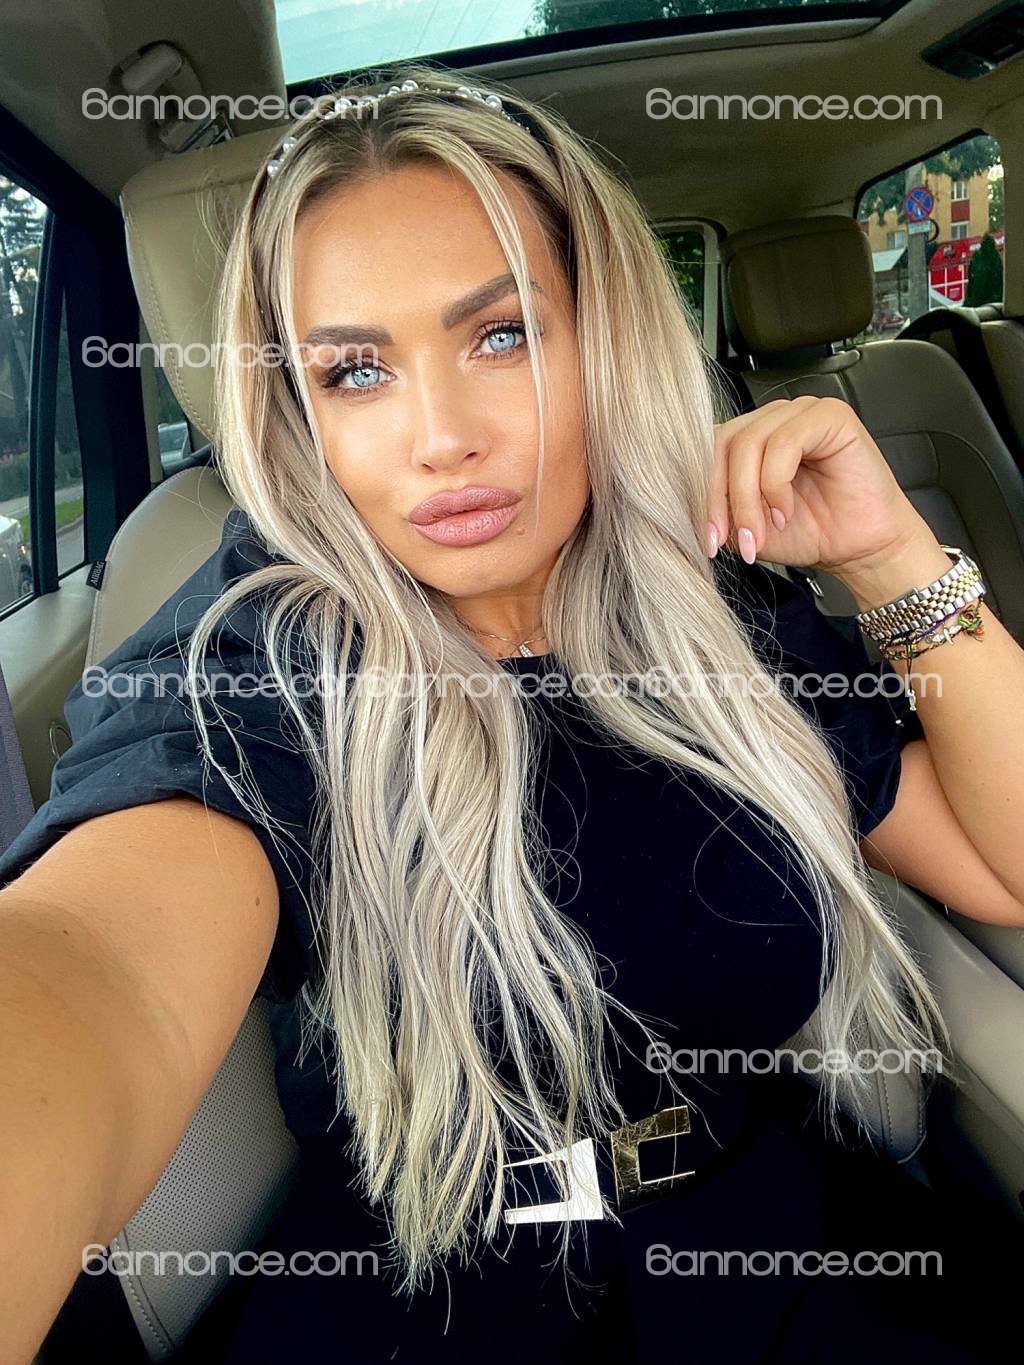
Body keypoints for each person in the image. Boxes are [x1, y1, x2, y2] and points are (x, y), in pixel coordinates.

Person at [2, 65, 1023, 1365]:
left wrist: (890, 558)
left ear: (605, 345)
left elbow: (1008, 866)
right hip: (427, 1294)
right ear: (298, 413)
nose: (441, 437)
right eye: (354, 371)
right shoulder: (257, 662)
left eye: (502, 336)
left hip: (780, 1248)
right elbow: (98, 974)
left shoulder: (724, 607)